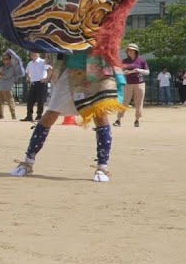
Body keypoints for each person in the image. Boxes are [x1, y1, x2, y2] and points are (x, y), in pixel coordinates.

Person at [10, 49, 122, 182]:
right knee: (50, 115)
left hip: (95, 69)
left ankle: (102, 166)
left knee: (100, 116)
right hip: (68, 71)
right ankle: (28, 162)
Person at [116, 43, 148, 127]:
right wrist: (125, 72)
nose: (130, 51)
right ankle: (118, 120)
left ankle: (137, 120)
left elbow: (147, 72)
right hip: (128, 84)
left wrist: (139, 70)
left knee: (139, 103)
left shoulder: (141, 60)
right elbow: (119, 71)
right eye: (128, 50)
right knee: (125, 102)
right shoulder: (124, 61)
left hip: (140, 83)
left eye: (132, 50)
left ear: (136, 51)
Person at [0, 49, 24, 119]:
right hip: (0, 86)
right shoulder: (1, 67)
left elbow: (8, 76)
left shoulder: (12, 67)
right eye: (4, 59)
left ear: (10, 60)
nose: (5, 60)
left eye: (7, 59)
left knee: (10, 101)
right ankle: (1, 114)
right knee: (0, 101)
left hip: (7, 87)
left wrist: (0, 75)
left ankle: (13, 115)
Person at [22, 51, 50, 121]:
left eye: (35, 53)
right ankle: (29, 115)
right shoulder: (30, 63)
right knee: (30, 100)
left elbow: (50, 69)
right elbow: (27, 72)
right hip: (33, 83)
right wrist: (28, 77)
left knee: (40, 100)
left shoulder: (43, 61)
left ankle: (39, 115)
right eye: (32, 53)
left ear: (38, 54)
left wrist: (46, 79)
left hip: (41, 83)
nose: (33, 54)